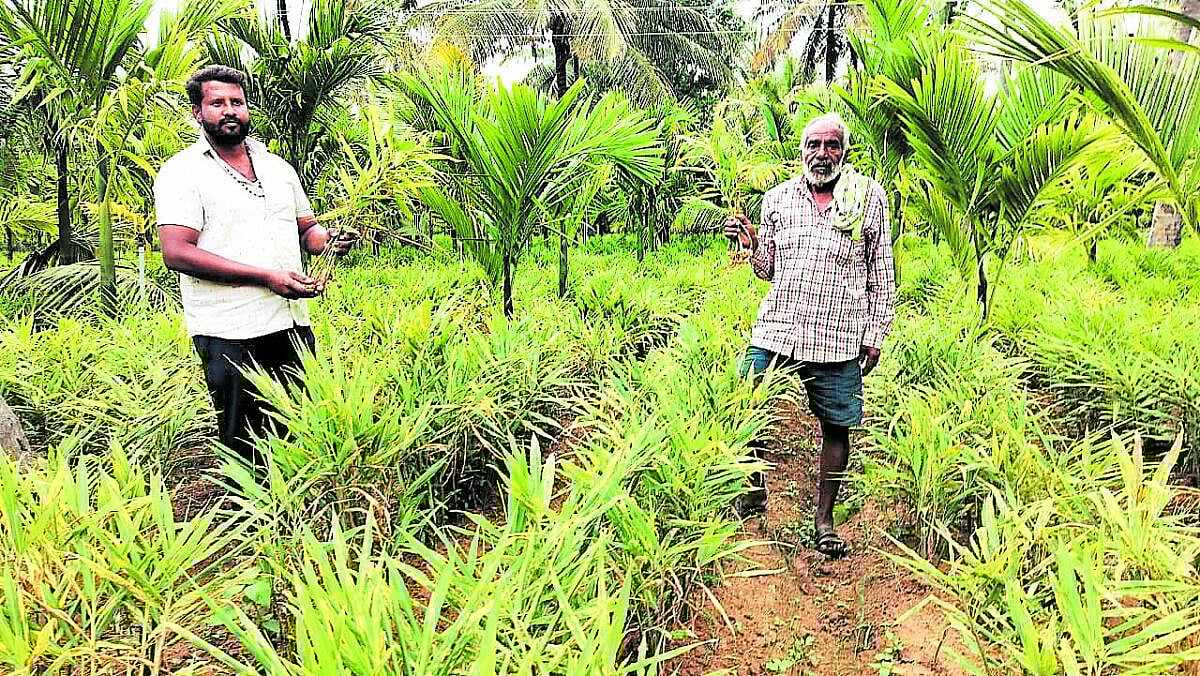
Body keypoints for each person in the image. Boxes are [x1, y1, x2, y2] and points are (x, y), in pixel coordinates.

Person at [155, 65, 356, 470]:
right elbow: (176, 251)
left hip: (290, 322)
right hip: (230, 329)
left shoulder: (277, 168)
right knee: (244, 439)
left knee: (298, 427)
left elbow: (306, 230)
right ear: (198, 112)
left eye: (237, 102)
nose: (229, 110)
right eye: (217, 103)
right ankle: (250, 521)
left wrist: (330, 239)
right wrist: (265, 277)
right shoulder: (183, 172)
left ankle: (294, 515)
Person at [724, 112, 895, 558]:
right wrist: (752, 243)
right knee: (746, 400)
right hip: (778, 326)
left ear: (844, 150)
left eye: (831, 145)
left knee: (838, 425)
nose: (822, 154)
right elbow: (768, 272)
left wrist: (875, 332)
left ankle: (824, 520)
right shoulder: (777, 199)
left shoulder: (867, 198)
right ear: (801, 152)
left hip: (837, 333)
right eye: (813, 145)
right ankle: (755, 489)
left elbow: (883, 270)